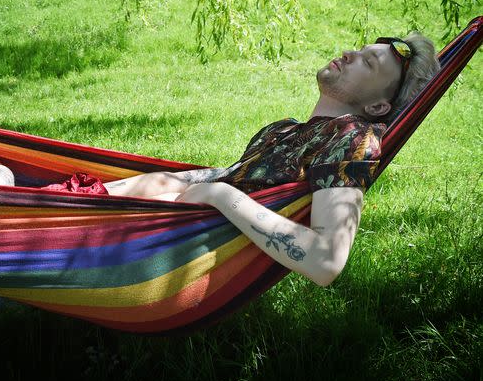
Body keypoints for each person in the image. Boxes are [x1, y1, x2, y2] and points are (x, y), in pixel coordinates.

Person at [104, 34, 440, 287]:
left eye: (368, 63)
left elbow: (326, 260)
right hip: (170, 218)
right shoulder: (283, 130)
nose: (349, 53)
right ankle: (58, 207)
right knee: (149, 183)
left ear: (379, 107)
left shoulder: (352, 139)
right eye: (361, 50)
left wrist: (220, 196)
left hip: (178, 246)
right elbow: (231, 175)